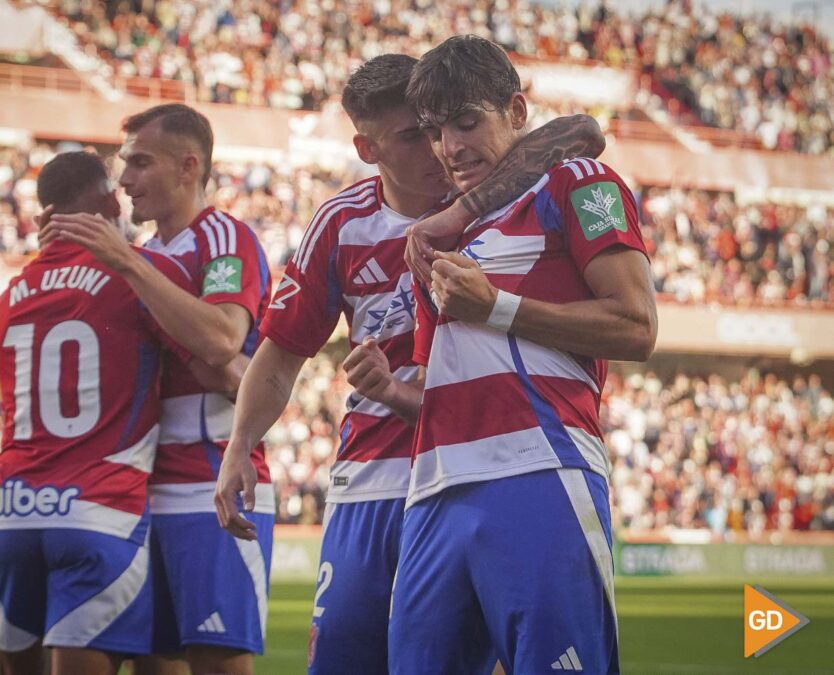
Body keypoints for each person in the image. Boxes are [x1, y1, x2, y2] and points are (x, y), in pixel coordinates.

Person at [212, 54, 606, 674]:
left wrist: (454, 214)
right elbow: (281, 353)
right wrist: (239, 449)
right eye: (413, 134)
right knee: (345, 655)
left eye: (439, 127)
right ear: (367, 149)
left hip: (478, 467)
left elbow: (580, 131)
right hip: (374, 476)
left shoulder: (500, 195)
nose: (437, 147)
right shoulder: (342, 222)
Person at [387, 36, 658, 674]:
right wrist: (384, 390)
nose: (449, 147)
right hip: (434, 489)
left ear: (515, 111)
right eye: (434, 131)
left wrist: (496, 307)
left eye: (467, 121)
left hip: (540, 471)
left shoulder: (577, 181)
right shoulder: (439, 238)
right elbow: (437, 383)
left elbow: (637, 325)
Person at [43, 104, 273, 675]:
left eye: (140, 163)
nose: (124, 180)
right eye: (124, 164)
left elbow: (223, 339)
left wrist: (127, 264)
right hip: (135, 491)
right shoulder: (143, 258)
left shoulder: (223, 236)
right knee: (155, 662)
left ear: (188, 166)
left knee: (216, 661)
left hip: (209, 482)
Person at [0, 151, 201, 675]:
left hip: (10, 513)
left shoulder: (8, 297)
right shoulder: (137, 274)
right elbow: (214, 351)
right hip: (97, 509)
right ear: (109, 201)